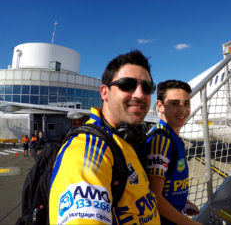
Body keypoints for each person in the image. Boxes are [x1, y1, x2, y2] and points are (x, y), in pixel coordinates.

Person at [49, 50, 160, 224]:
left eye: (147, 87)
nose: (139, 94)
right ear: (104, 93)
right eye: (127, 84)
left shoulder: (125, 139)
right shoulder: (87, 151)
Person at [144, 80, 201, 224]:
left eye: (186, 103)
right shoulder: (161, 141)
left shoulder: (173, 137)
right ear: (160, 106)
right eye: (175, 103)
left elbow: (167, 188)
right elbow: (154, 197)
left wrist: (184, 203)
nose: (182, 110)